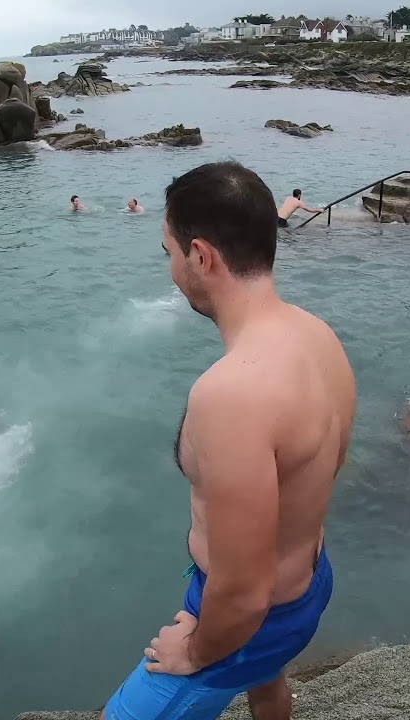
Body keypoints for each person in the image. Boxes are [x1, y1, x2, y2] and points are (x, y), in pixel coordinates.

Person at [102, 161, 355, 720]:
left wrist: (195, 650)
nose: (171, 268)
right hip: (310, 581)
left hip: (255, 620)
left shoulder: (230, 395)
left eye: (168, 252)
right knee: (268, 689)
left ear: (201, 255)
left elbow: (242, 591)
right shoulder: (318, 336)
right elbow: (327, 466)